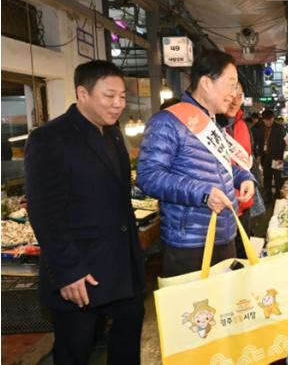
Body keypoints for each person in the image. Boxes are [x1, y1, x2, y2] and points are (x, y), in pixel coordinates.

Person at [25, 60, 145, 365]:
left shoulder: (112, 133)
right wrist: (68, 271)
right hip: (80, 271)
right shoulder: (49, 138)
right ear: (82, 93)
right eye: (109, 96)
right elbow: (44, 213)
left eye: (122, 97)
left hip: (121, 265)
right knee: (75, 350)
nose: (118, 104)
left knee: (128, 338)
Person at [136, 49, 255, 278]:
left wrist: (244, 178)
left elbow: (222, 166)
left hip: (224, 235)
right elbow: (148, 176)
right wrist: (203, 193)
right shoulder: (167, 122)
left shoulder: (213, 123)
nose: (234, 94)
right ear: (207, 83)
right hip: (189, 244)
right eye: (231, 85)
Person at [216, 82, 255, 259]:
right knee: (228, 262)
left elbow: (248, 161)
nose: (235, 101)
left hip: (245, 203)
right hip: (222, 206)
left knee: (245, 255)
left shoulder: (242, 125)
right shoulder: (211, 126)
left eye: (239, 96)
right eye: (231, 96)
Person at [253, 109, 286, 202]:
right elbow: (259, 143)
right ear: (263, 120)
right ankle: (268, 196)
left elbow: (283, 144)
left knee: (278, 178)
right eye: (266, 120)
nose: (268, 122)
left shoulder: (279, 128)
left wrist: (280, 158)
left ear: (273, 118)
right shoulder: (260, 128)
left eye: (270, 120)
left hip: (277, 158)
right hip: (266, 157)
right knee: (267, 177)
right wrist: (259, 156)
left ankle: (278, 196)